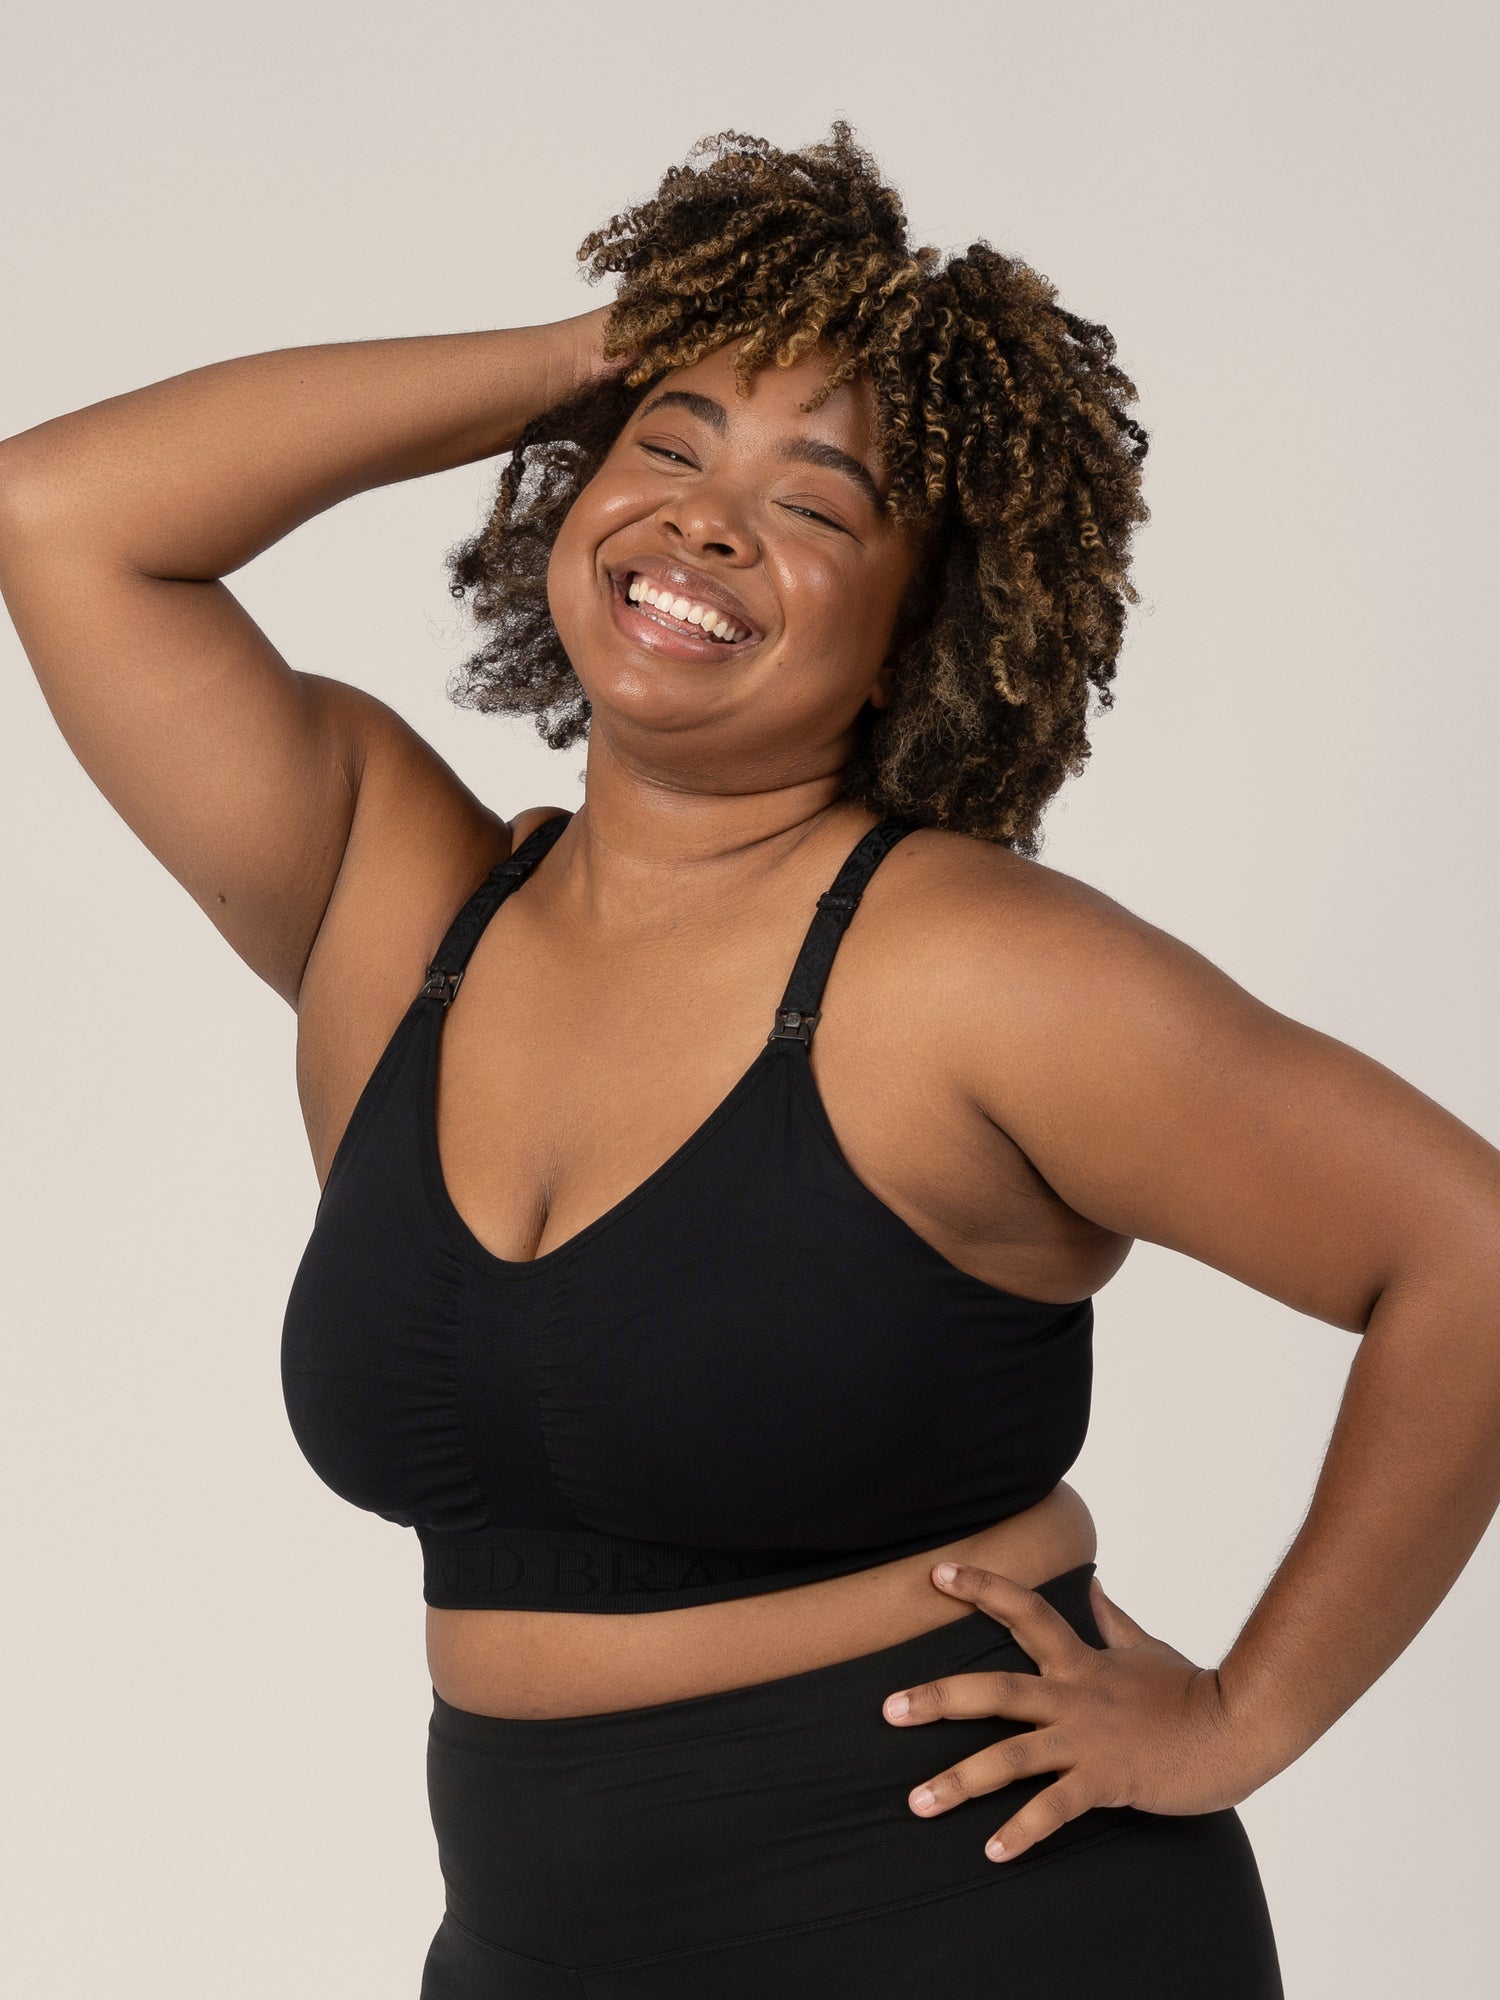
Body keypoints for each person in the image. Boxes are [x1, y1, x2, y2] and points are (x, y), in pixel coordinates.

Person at [2, 122, 1497, 1999]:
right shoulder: (402, 914)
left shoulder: (966, 970)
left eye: (818, 505)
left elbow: (1466, 1247)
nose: (710, 523)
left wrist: (1238, 1720)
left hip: (982, 1934)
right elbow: (62, 515)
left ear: (916, 629)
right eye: (671, 447)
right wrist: (591, 352)